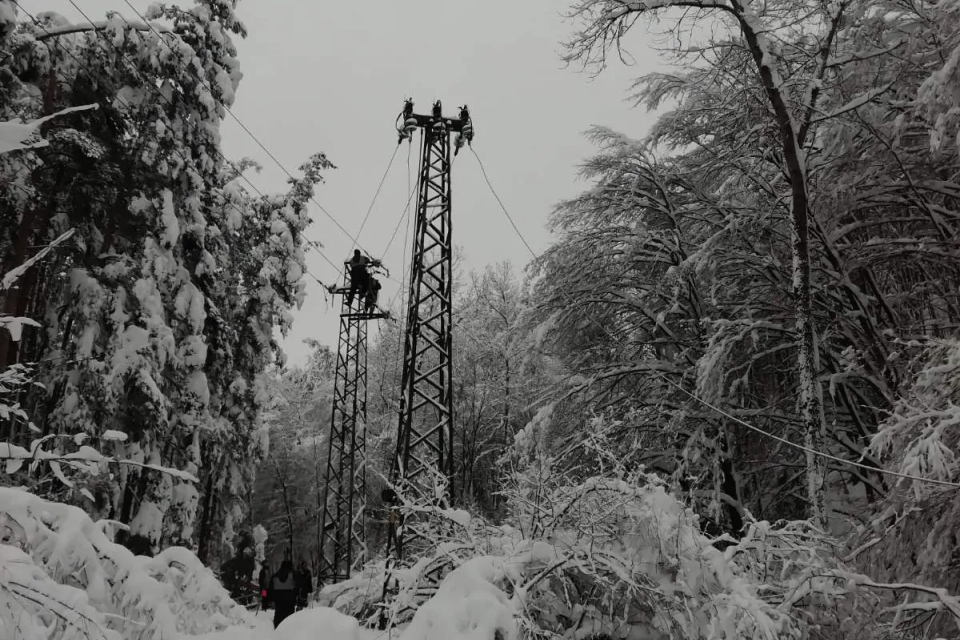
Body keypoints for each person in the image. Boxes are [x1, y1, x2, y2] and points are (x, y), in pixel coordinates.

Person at [267, 560, 298, 628]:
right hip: (290, 602)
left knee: (278, 619)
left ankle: (277, 633)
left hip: (278, 602)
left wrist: (267, 601)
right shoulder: (294, 575)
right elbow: (299, 587)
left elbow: (269, 590)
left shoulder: (275, 576)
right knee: (290, 620)